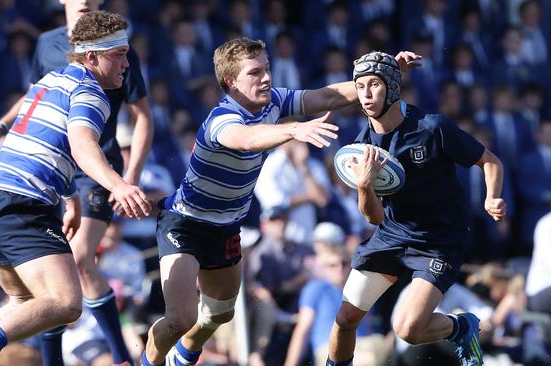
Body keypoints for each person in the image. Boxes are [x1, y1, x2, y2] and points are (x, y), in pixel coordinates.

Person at [141, 37, 421, 366]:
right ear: (231, 81)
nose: (266, 78)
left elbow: (327, 96)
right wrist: (293, 130)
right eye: (255, 72)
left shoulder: (274, 101)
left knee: (219, 315)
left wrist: (383, 76)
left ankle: (184, 355)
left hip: (226, 228)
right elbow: (246, 140)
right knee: (180, 320)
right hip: (185, 224)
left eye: (268, 69)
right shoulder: (221, 119)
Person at [0, 10, 151, 366]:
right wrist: (118, 184)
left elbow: (46, 144)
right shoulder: (92, 93)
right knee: (66, 303)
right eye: (118, 53)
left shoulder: (49, 82)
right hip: (23, 205)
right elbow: (82, 145)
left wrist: (71, 198)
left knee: (25, 304)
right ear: (92, 57)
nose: (126, 62)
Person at [326, 51, 507, 366]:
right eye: (360, 86)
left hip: (439, 242)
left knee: (407, 329)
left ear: (393, 87)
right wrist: (364, 186)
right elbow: (373, 217)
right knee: (345, 318)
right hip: (391, 234)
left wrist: (492, 197)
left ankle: (462, 326)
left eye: (374, 85)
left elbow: (489, 161)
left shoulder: (432, 127)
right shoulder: (363, 145)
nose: (366, 95)